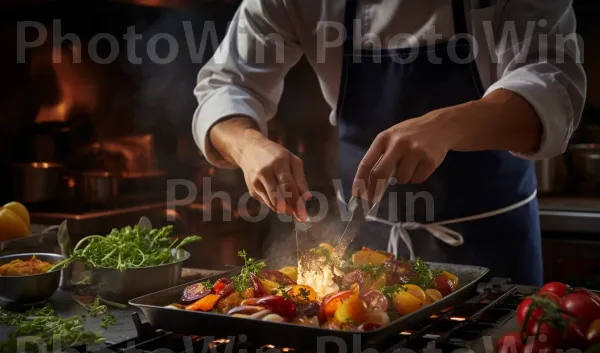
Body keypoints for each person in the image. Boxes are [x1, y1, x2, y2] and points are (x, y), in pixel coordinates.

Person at [192, 0, 586, 285]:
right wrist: (247, 144)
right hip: (365, 246)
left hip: (491, 242)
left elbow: (554, 86)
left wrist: (447, 125)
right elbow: (225, 84)